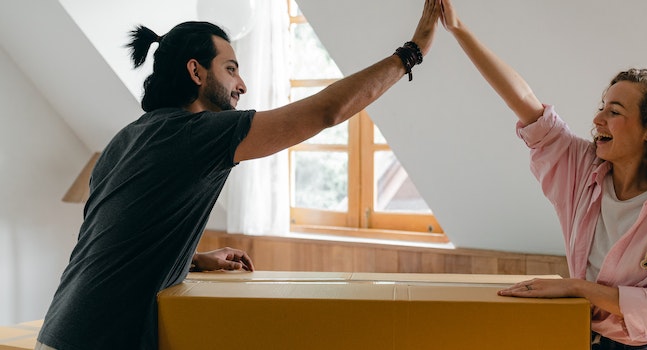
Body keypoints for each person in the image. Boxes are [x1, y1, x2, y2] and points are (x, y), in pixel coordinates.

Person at [36, 1, 441, 349]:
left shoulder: (128, 137)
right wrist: (413, 52)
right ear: (196, 72)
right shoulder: (200, 134)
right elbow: (325, 112)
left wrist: (191, 258)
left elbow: (110, 240)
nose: (242, 84)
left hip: (58, 329)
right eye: (231, 69)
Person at [439, 1, 647, 349]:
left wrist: (577, 288)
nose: (598, 120)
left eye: (615, 111)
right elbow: (523, 100)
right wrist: (460, 31)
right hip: (582, 338)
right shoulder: (581, 170)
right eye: (601, 108)